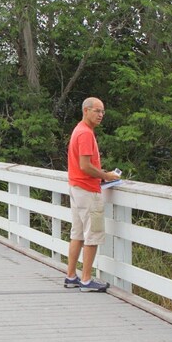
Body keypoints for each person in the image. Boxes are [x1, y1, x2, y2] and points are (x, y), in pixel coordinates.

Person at [65, 97, 121, 292]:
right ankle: (87, 280)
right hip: (88, 191)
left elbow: (83, 167)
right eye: (97, 111)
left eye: (102, 111)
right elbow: (86, 166)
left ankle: (71, 276)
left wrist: (102, 176)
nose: (100, 115)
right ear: (86, 110)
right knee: (93, 235)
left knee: (78, 234)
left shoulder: (77, 130)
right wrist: (106, 175)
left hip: (76, 188)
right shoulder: (86, 134)